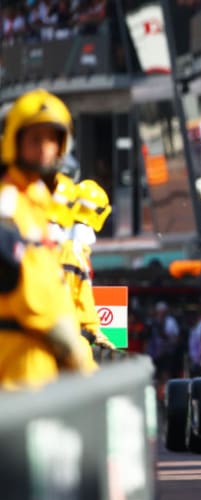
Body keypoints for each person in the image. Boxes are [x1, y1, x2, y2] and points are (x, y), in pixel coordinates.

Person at [0, 89, 93, 388]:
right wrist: (68, 343)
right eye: (34, 139)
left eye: (52, 139)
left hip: (40, 360)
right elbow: (27, 288)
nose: (44, 149)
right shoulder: (7, 203)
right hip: (16, 361)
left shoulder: (37, 202)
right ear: (15, 141)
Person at [58, 179, 113, 363]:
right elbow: (76, 297)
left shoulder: (67, 248)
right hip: (70, 338)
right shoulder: (72, 252)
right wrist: (93, 329)